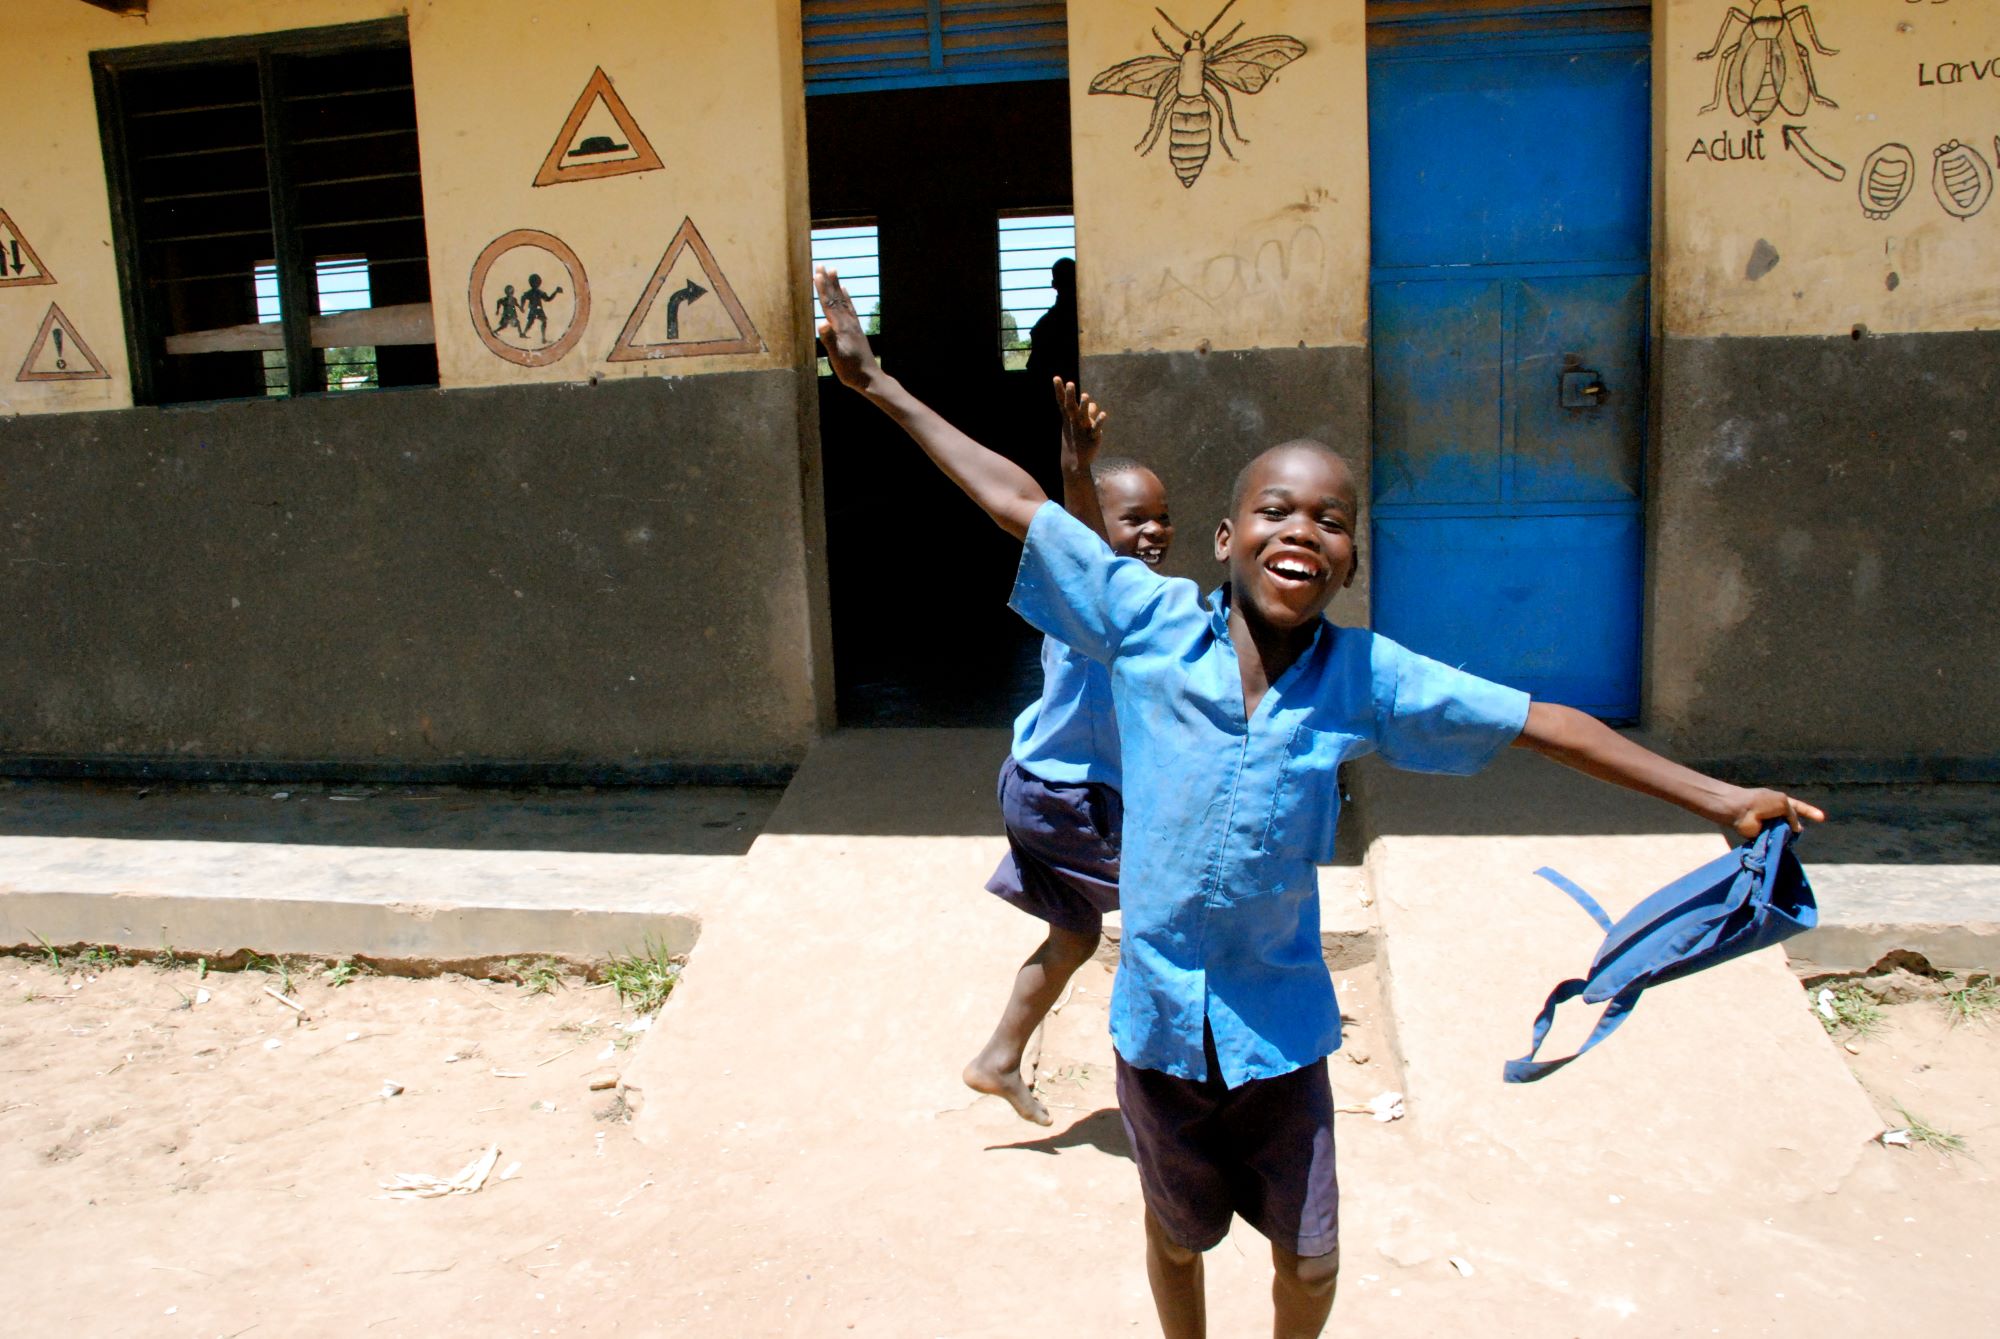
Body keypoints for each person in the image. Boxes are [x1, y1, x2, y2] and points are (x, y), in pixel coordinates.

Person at [813, 264, 1825, 1339]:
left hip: (1280, 1033)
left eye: (1330, 519)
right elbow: (1018, 503)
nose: (1301, 529)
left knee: (1309, 1256)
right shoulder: (1142, 623)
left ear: (1347, 559)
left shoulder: (1366, 677)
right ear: (1224, 537)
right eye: (1275, 508)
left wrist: (1716, 796)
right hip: (1155, 1026)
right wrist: (875, 383)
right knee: (1175, 1235)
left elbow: (1539, 720)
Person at [963, 381, 1175, 1126]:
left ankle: (997, 1057)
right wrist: (1075, 474)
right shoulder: (1092, 599)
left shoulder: (1144, 603)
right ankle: (1174, 1083)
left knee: (1076, 933)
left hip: (1042, 785)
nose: (1152, 531)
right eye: (1133, 519)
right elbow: (1080, 541)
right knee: (1176, 905)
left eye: (1162, 517)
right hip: (1068, 797)